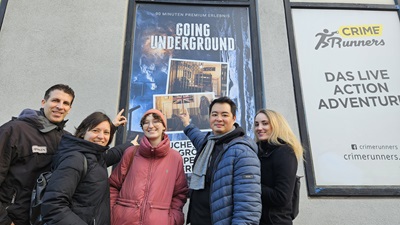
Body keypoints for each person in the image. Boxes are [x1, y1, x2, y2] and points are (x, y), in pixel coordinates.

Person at [0, 84, 75, 225]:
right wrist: (4, 221)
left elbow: (91, 157)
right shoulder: (15, 131)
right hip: (13, 218)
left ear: (69, 109)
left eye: (65, 103)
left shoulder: (66, 139)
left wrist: (109, 128)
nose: (60, 106)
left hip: (44, 219)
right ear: (43, 102)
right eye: (55, 100)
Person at [179, 96, 261, 225]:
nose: (219, 119)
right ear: (210, 117)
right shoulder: (209, 143)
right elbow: (197, 137)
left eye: (224, 115)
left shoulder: (243, 152)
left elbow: (247, 204)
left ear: (234, 118)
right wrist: (186, 123)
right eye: (215, 114)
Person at [41, 111, 133, 225]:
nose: (101, 136)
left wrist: (131, 144)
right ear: (83, 132)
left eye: (106, 132)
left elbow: (113, 153)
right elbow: (53, 206)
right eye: (95, 130)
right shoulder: (75, 159)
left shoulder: (95, 156)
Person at [109, 109, 188, 225]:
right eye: (146, 122)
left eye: (155, 121)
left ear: (164, 126)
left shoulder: (175, 158)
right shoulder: (130, 153)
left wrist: (172, 219)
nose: (150, 126)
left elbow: (180, 194)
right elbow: (113, 185)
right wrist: (113, 212)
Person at [253, 109, 303, 225]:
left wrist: (250, 185)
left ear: (276, 125)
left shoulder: (284, 152)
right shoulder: (257, 151)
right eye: (256, 124)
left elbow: (281, 197)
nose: (259, 128)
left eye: (265, 123)